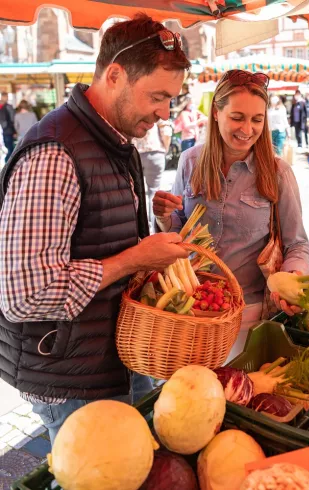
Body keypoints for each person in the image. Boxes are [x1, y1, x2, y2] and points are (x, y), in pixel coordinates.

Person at [0, 14, 191, 444]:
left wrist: (150, 231)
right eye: (158, 96)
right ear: (115, 74)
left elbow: (96, 234)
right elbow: (24, 294)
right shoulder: (54, 153)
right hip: (71, 379)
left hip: (112, 358)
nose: (165, 113)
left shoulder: (114, 139)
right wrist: (135, 259)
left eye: (171, 100)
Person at [153, 69, 309, 358]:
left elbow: (297, 243)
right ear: (216, 113)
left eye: (257, 119)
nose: (247, 129)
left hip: (247, 313)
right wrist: (164, 216)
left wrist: (293, 278)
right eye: (237, 117)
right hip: (191, 308)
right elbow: (180, 230)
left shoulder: (277, 173)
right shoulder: (190, 161)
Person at [133, 121, 171, 231]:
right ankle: (153, 227)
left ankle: (140, 227)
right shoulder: (157, 110)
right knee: (153, 192)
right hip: (155, 152)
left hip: (135, 153)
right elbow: (166, 131)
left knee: (135, 191)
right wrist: (165, 149)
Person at [0, 92, 16, 161]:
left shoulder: (6, 106)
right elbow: (13, 119)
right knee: (10, 149)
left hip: (4, 130)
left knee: (8, 148)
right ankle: (8, 163)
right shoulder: (8, 106)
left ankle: (7, 163)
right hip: (7, 130)